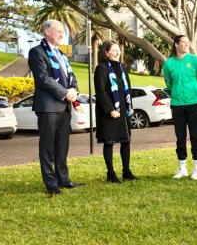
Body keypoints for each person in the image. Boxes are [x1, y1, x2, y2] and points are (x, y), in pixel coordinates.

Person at [28, 19, 84, 196]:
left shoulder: (61, 54)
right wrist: (64, 92)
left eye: (63, 32)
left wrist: (74, 89)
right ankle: (51, 184)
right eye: (58, 31)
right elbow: (43, 78)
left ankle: (64, 179)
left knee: (62, 146)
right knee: (48, 148)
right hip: (48, 107)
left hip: (64, 107)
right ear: (47, 32)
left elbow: (71, 75)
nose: (62, 34)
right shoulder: (37, 52)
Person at [163, 35, 197, 180]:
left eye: (188, 42)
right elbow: (168, 83)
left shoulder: (194, 60)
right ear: (176, 44)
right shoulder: (168, 64)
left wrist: (194, 92)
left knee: (195, 136)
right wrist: (177, 93)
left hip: (194, 103)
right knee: (180, 137)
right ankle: (182, 168)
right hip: (177, 104)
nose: (187, 44)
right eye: (184, 42)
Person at [94, 40, 136, 183]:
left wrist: (130, 106)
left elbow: (127, 88)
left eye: (118, 50)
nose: (117, 52)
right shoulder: (101, 68)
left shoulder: (122, 68)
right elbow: (100, 92)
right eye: (114, 50)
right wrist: (110, 109)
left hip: (123, 110)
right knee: (109, 142)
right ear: (106, 52)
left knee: (126, 141)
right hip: (108, 112)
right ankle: (111, 174)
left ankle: (126, 171)